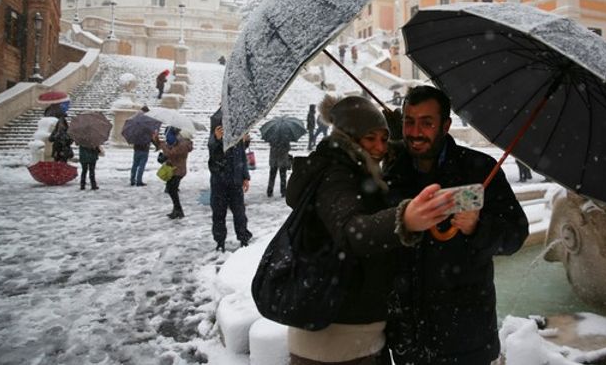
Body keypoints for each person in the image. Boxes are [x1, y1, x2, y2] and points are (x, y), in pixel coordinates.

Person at [285, 94, 455, 365]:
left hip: (357, 332)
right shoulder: (336, 175)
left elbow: (391, 153)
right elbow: (352, 231)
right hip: (333, 340)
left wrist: (403, 135)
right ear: (349, 139)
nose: (380, 147)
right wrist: (404, 220)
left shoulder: (357, 166)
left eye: (383, 138)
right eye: (369, 139)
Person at [382, 85, 529, 365]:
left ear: (446, 126)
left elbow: (516, 235)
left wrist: (478, 227)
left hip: (466, 338)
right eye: (409, 122)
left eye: (426, 123)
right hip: (408, 339)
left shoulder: (480, 169)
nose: (415, 132)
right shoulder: (394, 171)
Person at [209, 107, 252, 251]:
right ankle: (220, 242)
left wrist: (245, 177)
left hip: (235, 181)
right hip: (219, 183)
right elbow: (213, 156)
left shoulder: (237, 136)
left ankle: (243, 238)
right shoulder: (215, 133)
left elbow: (242, 158)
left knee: (240, 213)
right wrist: (217, 140)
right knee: (219, 214)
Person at [153, 126, 193, 219]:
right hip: (175, 169)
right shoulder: (180, 143)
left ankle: (178, 210)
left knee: (172, 190)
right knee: (172, 190)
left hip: (178, 171)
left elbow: (170, 153)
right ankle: (177, 210)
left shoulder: (183, 144)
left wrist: (163, 146)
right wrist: (157, 140)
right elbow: (168, 147)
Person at [130, 105, 153, 186]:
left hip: (137, 147)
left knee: (135, 164)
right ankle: (139, 181)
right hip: (145, 147)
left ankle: (132, 180)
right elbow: (151, 136)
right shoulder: (147, 124)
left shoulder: (135, 123)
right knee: (141, 165)